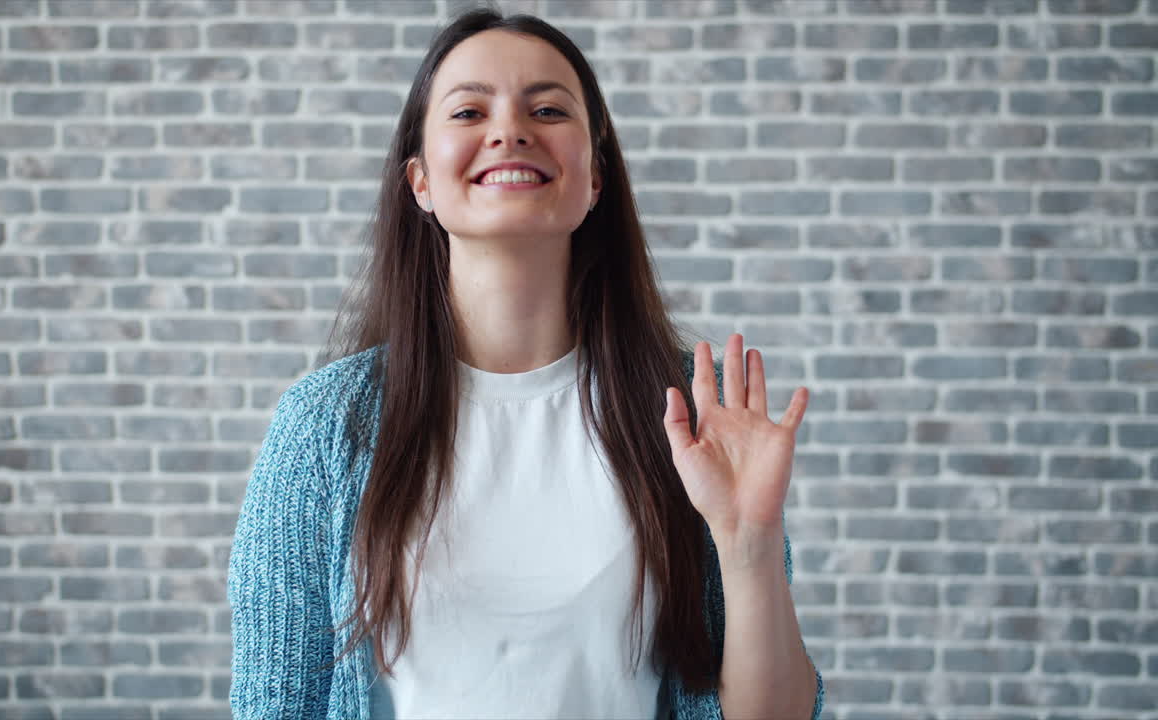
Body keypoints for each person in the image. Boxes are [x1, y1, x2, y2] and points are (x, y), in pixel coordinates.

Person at [227, 8, 823, 720]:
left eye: (547, 109)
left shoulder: (691, 419)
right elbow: (275, 706)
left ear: (595, 177)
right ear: (419, 181)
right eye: (469, 111)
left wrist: (751, 544)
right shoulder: (327, 425)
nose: (509, 131)